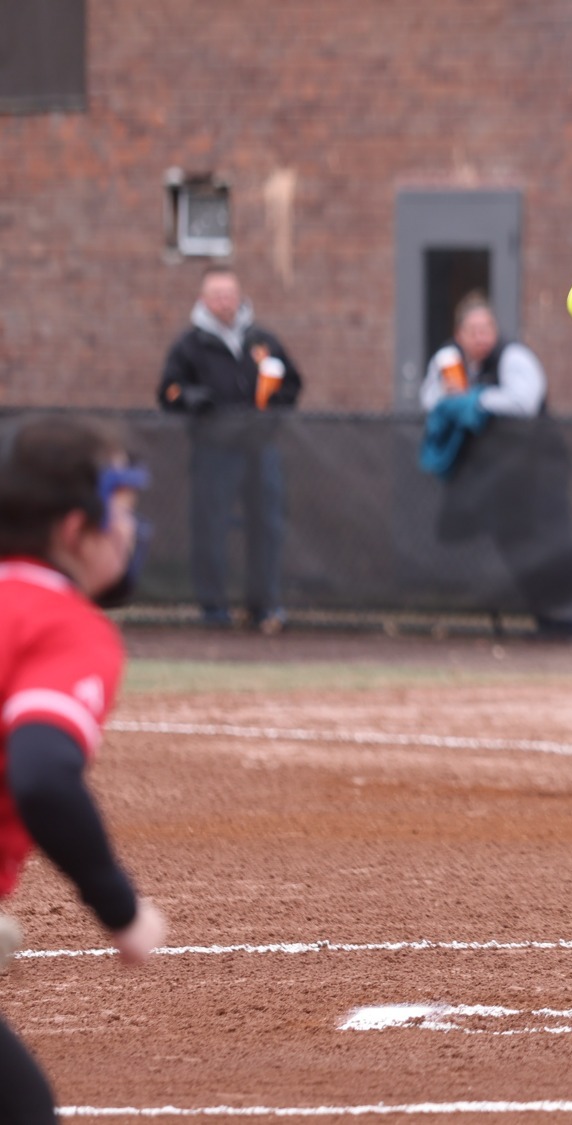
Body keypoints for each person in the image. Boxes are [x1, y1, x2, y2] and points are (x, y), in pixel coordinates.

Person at [0, 419, 169, 1122]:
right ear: (76, 529)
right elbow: (41, 772)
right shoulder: (64, 622)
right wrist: (122, 911)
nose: (132, 530)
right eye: (123, 510)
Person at [420, 293, 572, 640]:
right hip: (502, 479)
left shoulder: (514, 357)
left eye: (487, 328)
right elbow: (430, 401)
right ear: (459, 334)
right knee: (516, 546)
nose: (481, 336)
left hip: (541, 472)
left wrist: (475, 399)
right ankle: (547, 622)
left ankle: (569, 624)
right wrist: (452, 393)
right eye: (473, 330)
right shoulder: (452, 362)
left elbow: (523, 402)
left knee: (551, 543)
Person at [157, 265, 302, 633]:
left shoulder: (262, 340)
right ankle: (213, 607)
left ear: (240, 296)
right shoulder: (189, 345)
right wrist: (195, 399)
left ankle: (265, 605)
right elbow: (169, 391)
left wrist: (271, 407)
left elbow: (293, 383)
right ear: (204, 299)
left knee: (266, 525)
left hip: (259, 446)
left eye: (229, 294)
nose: (224, 302)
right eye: (217, 295)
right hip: (214, 449)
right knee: (211, 526)